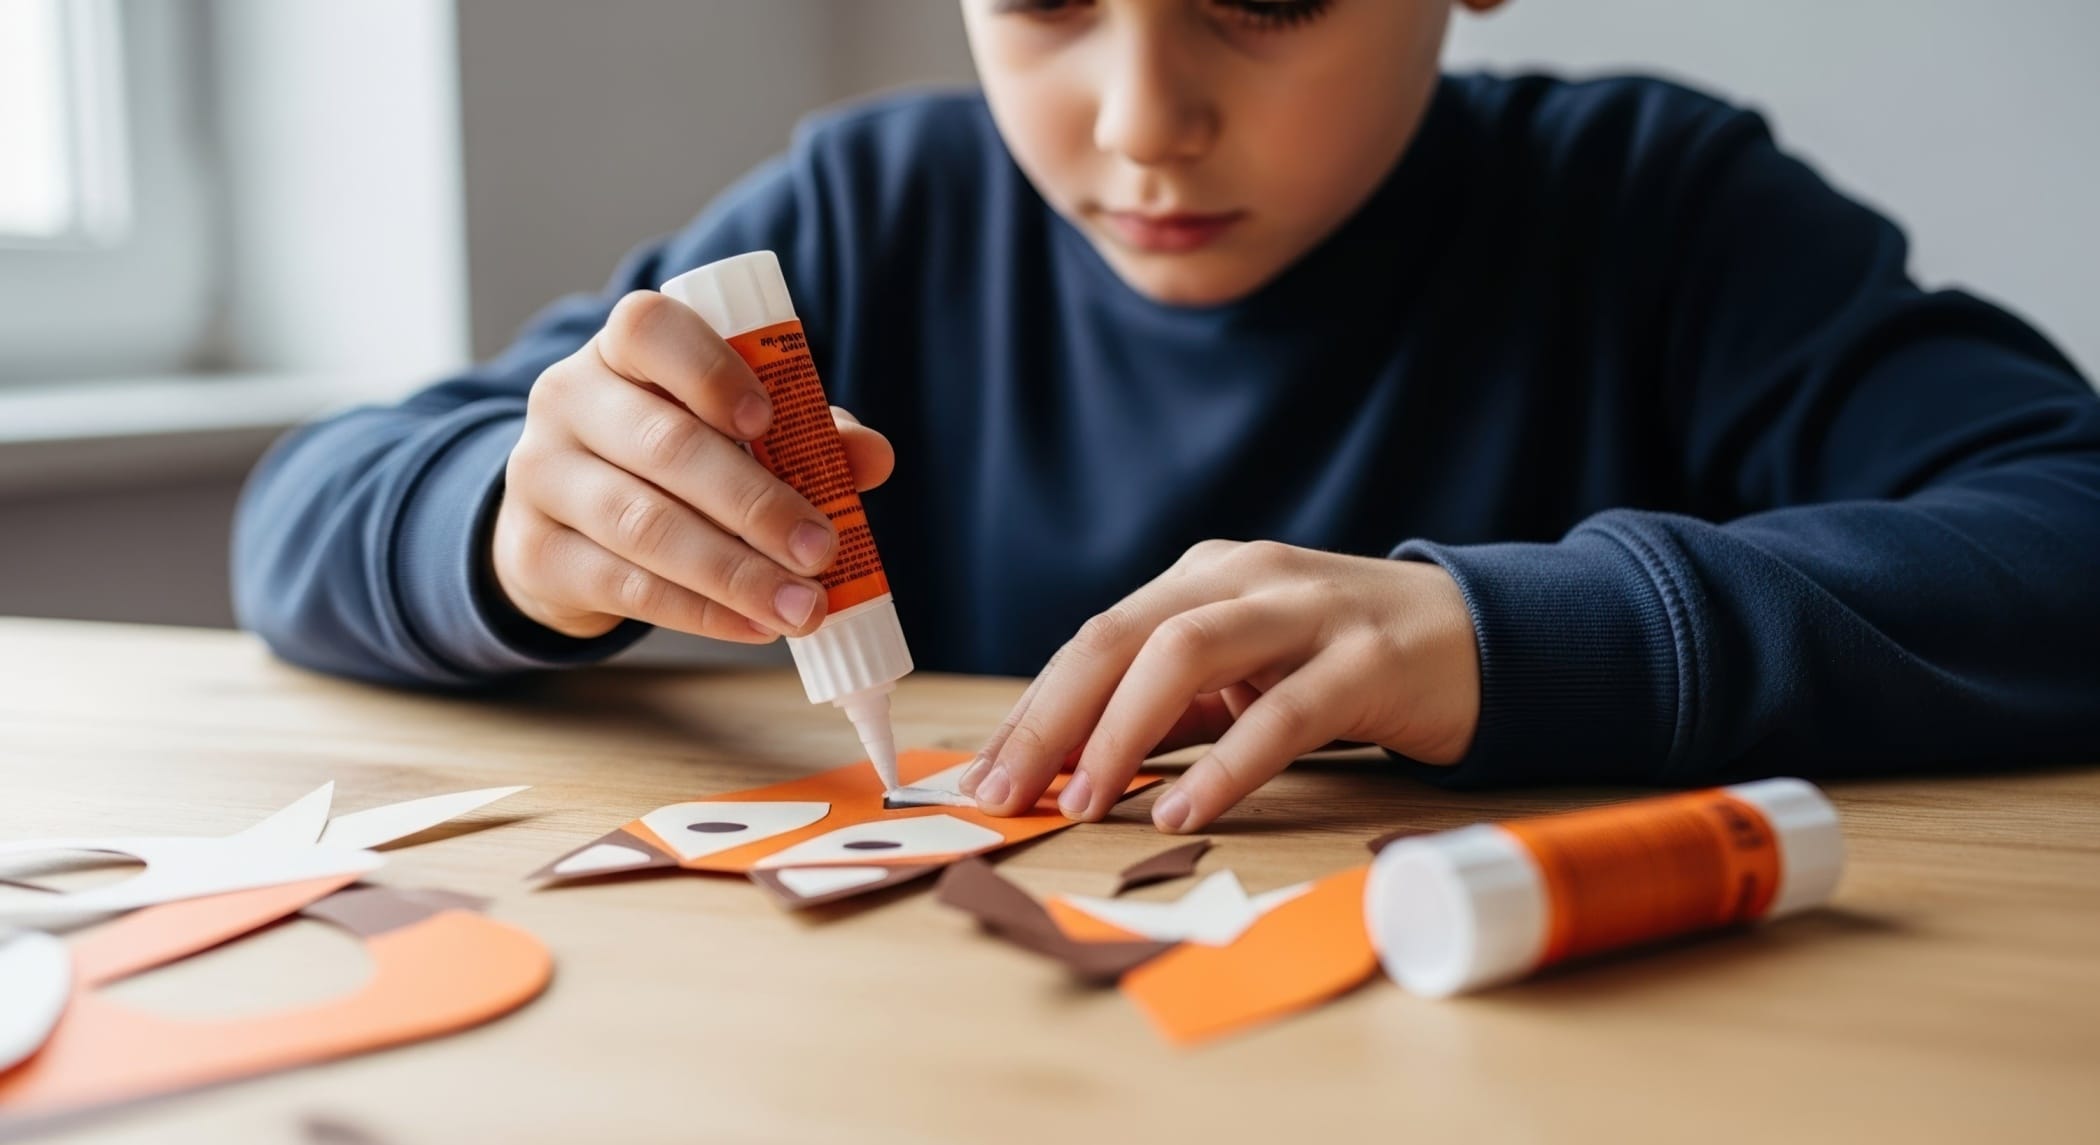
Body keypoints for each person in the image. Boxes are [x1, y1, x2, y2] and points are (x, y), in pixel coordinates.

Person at [233, 0, 2100, 835]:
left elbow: (2069, 526)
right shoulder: (877, 215)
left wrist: (1494, 631)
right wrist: (507, 517)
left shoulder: (1658, 212)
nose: (1139, 119)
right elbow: (306, 516)